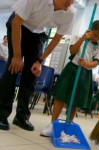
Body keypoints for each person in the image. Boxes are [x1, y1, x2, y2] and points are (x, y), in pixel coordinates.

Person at [0, 0, 76, 131]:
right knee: (12, 69)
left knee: (32, 73)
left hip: (38, 34)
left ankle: (22, 116)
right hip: (18, 25)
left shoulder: (70, 12)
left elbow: (57, 38)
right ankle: (1, 115)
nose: (70, 2)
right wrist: (17, 56)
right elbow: (16, 23)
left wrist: (39, 61)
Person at [40, 20, 99, 137]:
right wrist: (83, 38)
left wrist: (87, 64)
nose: (96, 38)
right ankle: (53, 124)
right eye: (95, 34)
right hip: (71, 69)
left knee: (74, 101)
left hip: (84, 73)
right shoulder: (78, 37)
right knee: (60, 97)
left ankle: (68, 126)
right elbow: (72, 51)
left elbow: (96, 62)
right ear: (90, 29)